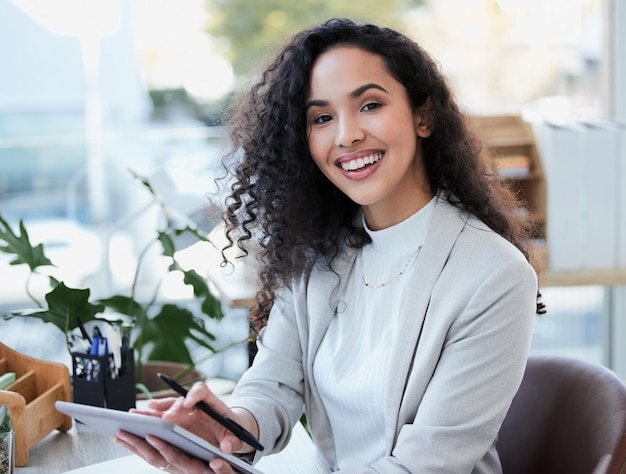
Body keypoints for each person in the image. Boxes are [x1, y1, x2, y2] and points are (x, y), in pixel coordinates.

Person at [114, 18, 540, 473]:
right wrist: (229, 428)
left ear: (424, 116)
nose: (346, 135)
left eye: (370, 105)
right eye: (321, 118)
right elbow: (273, 384)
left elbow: (425, 465)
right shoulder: (319, 254)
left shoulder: (493, 276)